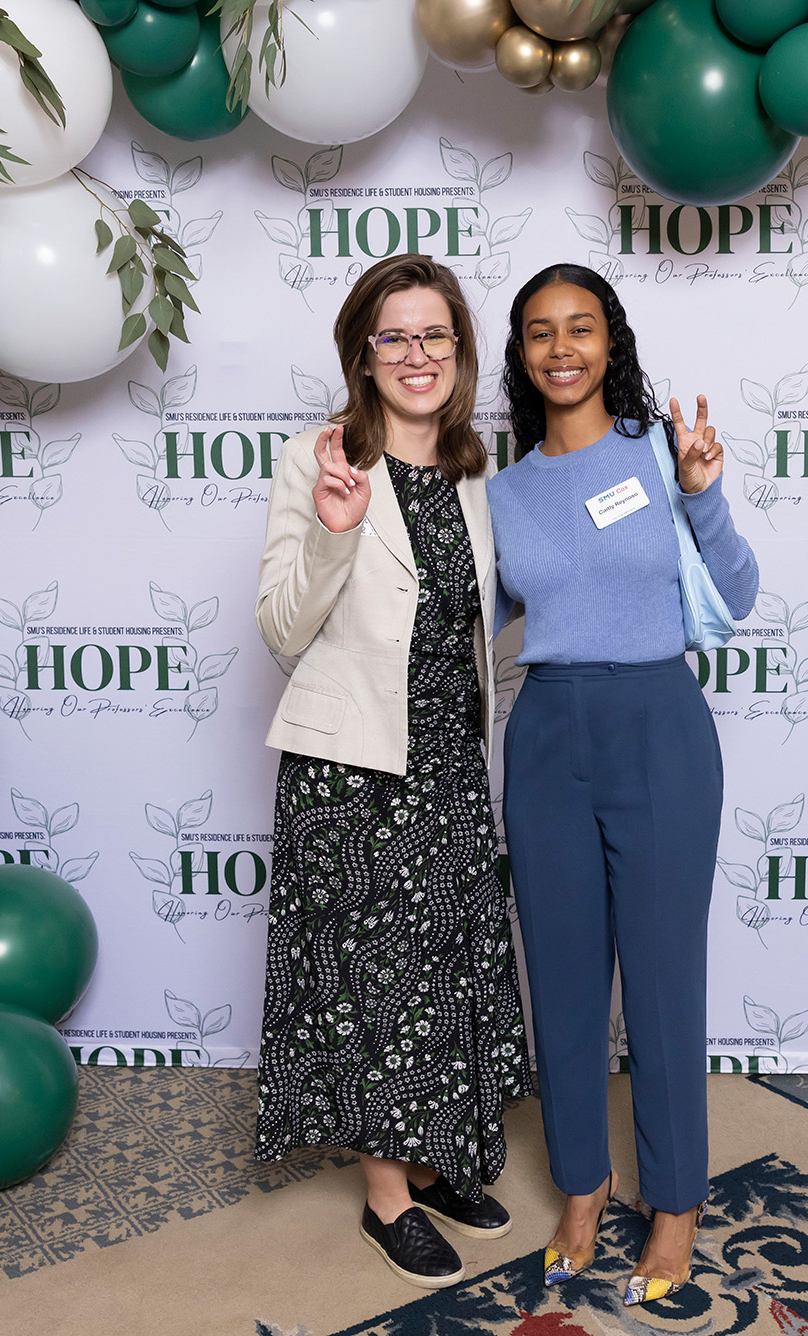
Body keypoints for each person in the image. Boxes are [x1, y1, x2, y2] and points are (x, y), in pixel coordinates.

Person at [253, 253, 531, 1291]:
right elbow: (280, 628)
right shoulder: (319, 458)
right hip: (352, 772)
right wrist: (334, 533)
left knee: (446, 970)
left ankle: (430, 1161)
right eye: (394, 337)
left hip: (450, 763)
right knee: (374, 984)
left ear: (459, 351)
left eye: (435, 335)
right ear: (362, 356)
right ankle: (386, 1199)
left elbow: (482, 620)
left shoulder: (475, 469)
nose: (417, 355)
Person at [487, 263, 759, 1307]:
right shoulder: (502, 493)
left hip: (658, 726)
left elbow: (736, 592)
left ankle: (675, 1201)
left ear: (611, 344)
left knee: (660, 979)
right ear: (519, 355)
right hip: (546, 731)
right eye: (540, 331)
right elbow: (468, 626)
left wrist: (702, 495)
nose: (561, 348)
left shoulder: (659, 453)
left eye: (581, 327)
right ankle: (583, 1188)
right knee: (558, 981)